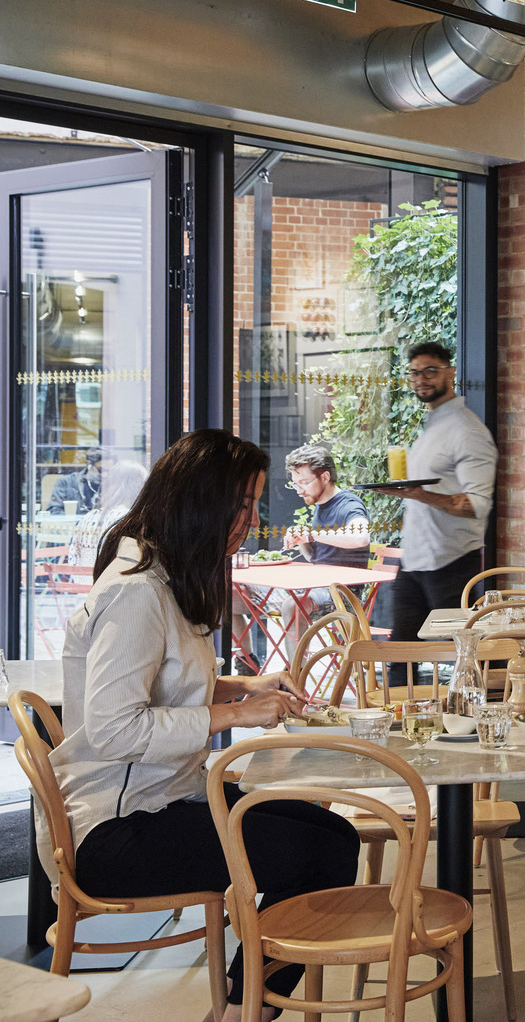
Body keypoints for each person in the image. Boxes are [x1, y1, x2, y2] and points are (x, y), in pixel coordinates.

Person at [51, 429, 360, 1022]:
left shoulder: (162, 575)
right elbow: (115, 728)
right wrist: (238, 714)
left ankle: (243, 1004)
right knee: (314, 855)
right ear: (200, 501)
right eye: (241, 504)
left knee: (335, 836)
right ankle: (245, 1012)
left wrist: (244, 686)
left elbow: (157, 688)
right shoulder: (139, 592)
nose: (247, 520)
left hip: (165, 797)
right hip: (118, 832)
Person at [390, 342, 497, 646]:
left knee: (458, 657)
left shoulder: (467, 431)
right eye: (414, 373)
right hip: (415, 561)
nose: (421, 379)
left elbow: (477, 505)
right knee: (400, 658)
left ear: (449, 373)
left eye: (430, 371)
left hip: (451, 564)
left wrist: (420, 495)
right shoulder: (433, 427)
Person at [282, 443, 370, 569]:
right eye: (296, 484)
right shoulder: (321, 505)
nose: (299, 491)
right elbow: (315, 558)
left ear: (325, 477)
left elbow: (361, 538)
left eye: (304, 483)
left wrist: (311, 535)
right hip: (319, 583)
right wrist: (301, 539)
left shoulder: (349, 505)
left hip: (339, 587)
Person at [66, 458, 147, 567]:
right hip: (109, 581)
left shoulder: (89, 517)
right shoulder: (129, 519)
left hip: (82, 581)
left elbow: (73, 559)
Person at [47, 449, 102, 513]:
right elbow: (55, 510)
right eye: (101, 470)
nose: (105, 475)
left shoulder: (112, 486)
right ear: (89, 465)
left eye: (109, 471)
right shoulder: (66, 482)